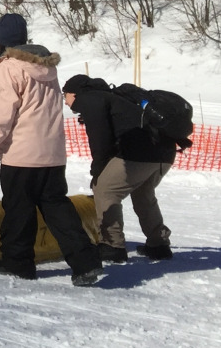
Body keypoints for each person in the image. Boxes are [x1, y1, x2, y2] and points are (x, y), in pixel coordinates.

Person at [0, 13, 103, 287]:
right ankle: (85, 261)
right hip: (53, 155)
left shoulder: (9, 67)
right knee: (57, 208)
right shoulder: (47, 68)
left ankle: (18, 264)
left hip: (22, 154)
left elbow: (2, 113)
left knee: (19, 210)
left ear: (2, 41)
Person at [62, 75, 175, 261]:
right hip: (164, 152)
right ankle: (158, 244)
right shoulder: (112, 98)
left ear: (74, 93)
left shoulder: (90, 99)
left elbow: (100, 140)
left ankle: (111, 245)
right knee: (143, 194)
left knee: (105, 190)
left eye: (64, 96)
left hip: (140, 153)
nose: (65, 102)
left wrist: (97, 170)